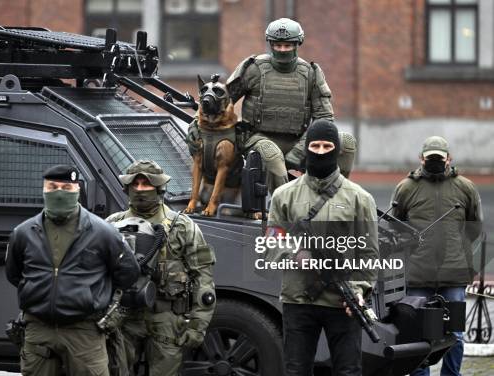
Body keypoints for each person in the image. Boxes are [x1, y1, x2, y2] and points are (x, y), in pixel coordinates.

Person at [265, 119, 378, 376]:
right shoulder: (284, 195)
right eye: (314, 145)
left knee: (348, 370)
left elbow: (369, 254)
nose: (320, 151)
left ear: (337, 150)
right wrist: (296, 254)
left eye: (327, 146)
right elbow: (271, 243)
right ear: (306, 148)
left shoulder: (360, 198)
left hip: (342, 299)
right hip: (297, 299)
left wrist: (359, 291)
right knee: (296, 370)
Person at [5, 164, 140, 376]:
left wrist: (93, 296)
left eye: (66, 188)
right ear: (44, 190)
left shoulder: (102, 232)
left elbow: (128, 273)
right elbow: (14, 274)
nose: (59, 192)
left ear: (77, 190)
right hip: (38, 331)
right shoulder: (23, 233)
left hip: (84, 332)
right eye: (53, 187)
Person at [106, 160, 216, 376]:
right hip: (124, 317)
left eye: (146, 184)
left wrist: (197, 325)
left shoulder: (182, 226)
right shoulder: (112, 225)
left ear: (159, 188)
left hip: (166, 317)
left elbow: (203, 277)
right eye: (135, 184)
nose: (139, 190)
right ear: (126, 187)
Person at [391, 136, 483, 376]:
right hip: (417, 277)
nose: (434, 161)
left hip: (453, 274)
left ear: (449, 159)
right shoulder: (406, 188)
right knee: (418, 336)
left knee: (456, 336)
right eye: (430, 157)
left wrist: (457, 250)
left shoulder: (465, 187)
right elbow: (395, 228)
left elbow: (474, 228)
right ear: (421, 158)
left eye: (439, 158)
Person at [226, 17, 334, 193]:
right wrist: (198, 123)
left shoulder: (311, 73)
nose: (282, 50)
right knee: (272, 155)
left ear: (297, 44)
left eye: (287, 46)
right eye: (277, 45)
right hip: (258, 139)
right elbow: (223, 100)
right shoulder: (254, 68)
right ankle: (285, 213)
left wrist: (299, 152)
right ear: (271, 44)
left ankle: (337, 201)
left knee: (346, 143)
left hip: (298, 141)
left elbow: (325, 118)